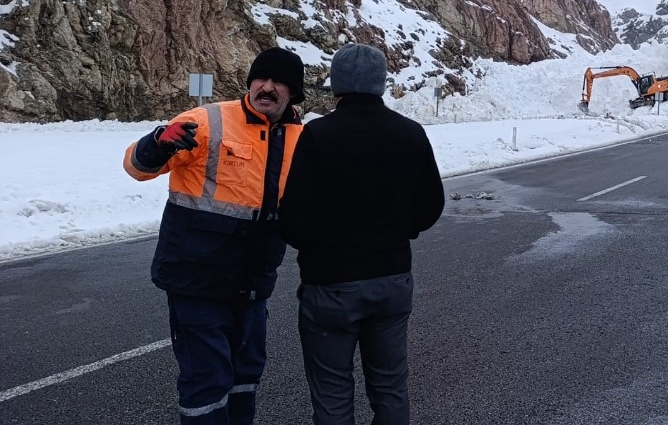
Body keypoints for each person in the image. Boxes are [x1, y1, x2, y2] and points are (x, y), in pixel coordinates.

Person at [122, 46, 306, 425]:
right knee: (207, 379)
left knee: (246, 375)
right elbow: (136, 168)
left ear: (294, 93)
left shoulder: (300, 139)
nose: (267, 87)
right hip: (197, 279)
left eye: (279, 83)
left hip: (254, 282)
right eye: (261, 78)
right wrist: (157, 143)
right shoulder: (207, 121)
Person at [279, 43, 446, 425]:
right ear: (381, 84)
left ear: (337, 85)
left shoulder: (318, 135)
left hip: (330, 284)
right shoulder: (411, 133)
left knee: (333, 393)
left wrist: (317, 244)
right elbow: (431, 205)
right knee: (390, 389)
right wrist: (402, 231)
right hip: (391, 278)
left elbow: (294, 217)